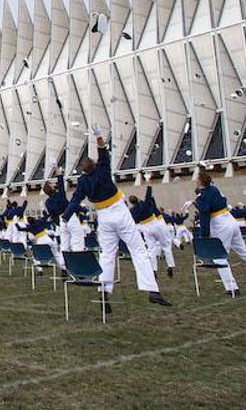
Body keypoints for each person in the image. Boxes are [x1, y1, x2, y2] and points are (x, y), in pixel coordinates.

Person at [61, 125, 171, 311]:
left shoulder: (83, 182)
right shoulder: (102, 170)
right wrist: (98, 136)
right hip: (119, 212)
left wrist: (65, 217)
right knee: (138, 250)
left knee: (107, 255)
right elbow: (104, 152)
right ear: (94, 165)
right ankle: (152, 290)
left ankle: (104, 291)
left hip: (103, 217)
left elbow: (74, 201)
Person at [191, 173, 246, 294]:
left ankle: (231, 288)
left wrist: (204, 235)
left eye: (196, 180)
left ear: (200, 182)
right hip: (230, 220)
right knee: (244, 251)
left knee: (219, 257)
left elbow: (204, 215)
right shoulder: (214, 189)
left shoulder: (202, 196)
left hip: (220, 224)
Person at [129, 185, 175, 278]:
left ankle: (154, 269)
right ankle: (170, 265)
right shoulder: (144, 204)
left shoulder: (132, 211)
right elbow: (148, 196)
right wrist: (149, 186)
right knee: (166, 245)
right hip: (155, 224)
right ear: (137, 199)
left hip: (145, 228)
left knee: (151, 250)